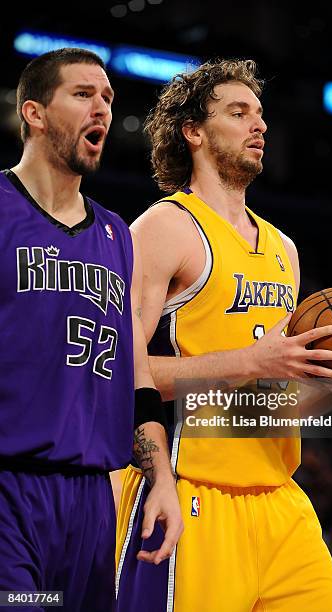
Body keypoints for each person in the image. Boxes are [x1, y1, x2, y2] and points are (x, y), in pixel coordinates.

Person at [116, 59, 332, 611]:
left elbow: (268, 410)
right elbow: (120, 372)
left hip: (279, 500)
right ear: (193, 131)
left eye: (261, 115)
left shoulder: (283, 250)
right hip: (189, 492)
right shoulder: (165, 228)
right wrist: (248, 358)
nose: (259, 125)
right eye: (238, 112)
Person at [0, 48, 182, 612]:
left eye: (107, 97)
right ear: (34, 112)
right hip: (11, 490)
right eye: (83, 95)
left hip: (91, 504)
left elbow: (136, 371)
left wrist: (161, 479)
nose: (101, 107)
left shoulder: (115, 234)